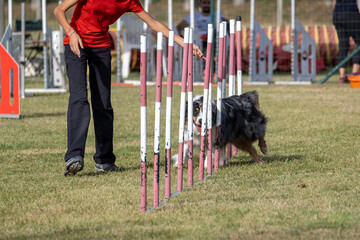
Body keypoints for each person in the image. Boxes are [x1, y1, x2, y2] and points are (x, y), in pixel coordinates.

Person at [54, 0, 205, 176]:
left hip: (101, 47)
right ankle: (74, 157)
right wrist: (71, 32)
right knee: (79, 98)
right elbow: (59, 11)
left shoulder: (129, 1)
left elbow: (153, 24)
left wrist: (183, 43)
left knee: (103, 105)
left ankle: (104, 160)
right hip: (75, 43)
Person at [333, 0, 360, 84]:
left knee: (343, 44)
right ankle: (354, 73)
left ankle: (342, 76)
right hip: (351, 13)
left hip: (337, 14)